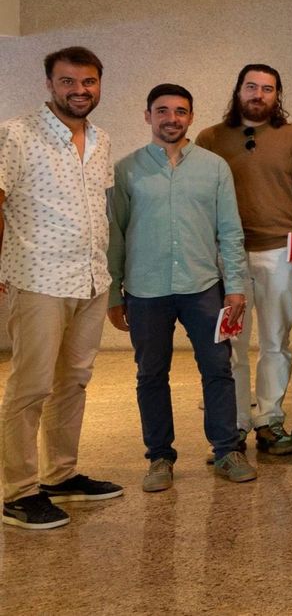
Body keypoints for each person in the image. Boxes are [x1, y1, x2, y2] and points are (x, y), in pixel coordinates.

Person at [109, 84, 255, 491]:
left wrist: (236, 286)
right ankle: (159, 457)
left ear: (191, 117)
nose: (171, 118)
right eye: (162, 110)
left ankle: (226, 450)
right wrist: (114, 293)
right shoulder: (126, 170)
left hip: (203, 287)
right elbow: (115, 234)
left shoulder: (214, 167)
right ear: (147, 116)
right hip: (145, 290)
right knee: (151, 374)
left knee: (218, 368)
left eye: (180, 111)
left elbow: (230, 231)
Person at [0, 47, 123, 530]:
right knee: (30, 386)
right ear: (49, 84)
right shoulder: (16, 134)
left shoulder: (101, 139)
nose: (79, 90)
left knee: (73, 381)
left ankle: (60, 475)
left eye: (88, 81)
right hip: (39, 277)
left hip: (90, 278)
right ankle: (18, 492)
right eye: (68, 81)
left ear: (99, 84)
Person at [196, 64, 292, 458]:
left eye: (268, 88)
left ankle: (269, 420)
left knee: (275, 340)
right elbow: (199, 196)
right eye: (252, 87)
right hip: (226, 255)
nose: (259, 94)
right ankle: (234, 425)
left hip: (279, 250)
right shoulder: (210, 138)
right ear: (238, 90)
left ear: (277, 95)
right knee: (231, 344)